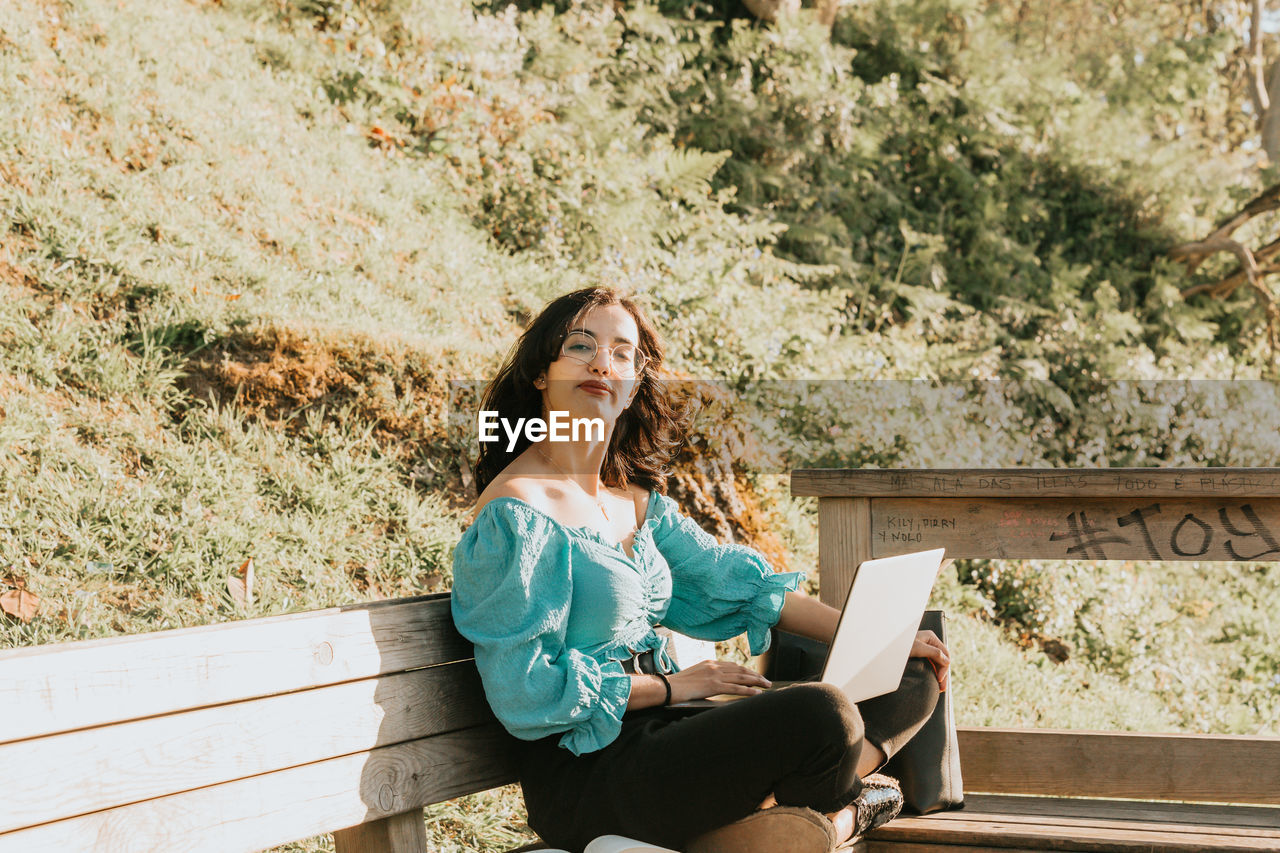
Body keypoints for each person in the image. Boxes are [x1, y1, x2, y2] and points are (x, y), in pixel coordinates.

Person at [451, 287, 950, 853]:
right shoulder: (516, 513)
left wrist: (885, 637)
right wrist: (672, 686)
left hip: (673, 733)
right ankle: (839, 816)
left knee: (913, 676)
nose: (601, 363)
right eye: (580, 346)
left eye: (621, 352)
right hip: (592, 774)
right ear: (542, 373)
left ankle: (776, 824)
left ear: (634, 382)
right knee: (824, 713)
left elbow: (734, 583)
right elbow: (526, 691)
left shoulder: (633, 501)